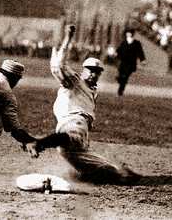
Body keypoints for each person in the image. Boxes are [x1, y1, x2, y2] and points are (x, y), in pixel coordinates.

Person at [32, 25, 141, 185]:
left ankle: (100, 174)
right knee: (69, 139)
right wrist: (68, 37)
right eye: (90, 69)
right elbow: (58, 66)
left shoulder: (93, 91)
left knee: (110, 171)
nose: (93, 73)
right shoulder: (74, 82)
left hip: (82, 140)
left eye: (97, 71)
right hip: (72, 124)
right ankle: (39, 143)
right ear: (83, 70)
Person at [116, 28, 146, 96]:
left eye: (129, 32)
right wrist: (117, 56)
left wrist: (142, 60)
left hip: (131, 63)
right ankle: (119, 80)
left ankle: (120, 91)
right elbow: (119, 51)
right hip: (123, 62)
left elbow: (140, 52)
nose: (128, 34)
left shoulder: (137, 43)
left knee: (125, 77)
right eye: (127, 32)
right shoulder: (123, 42)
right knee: (120, 76)